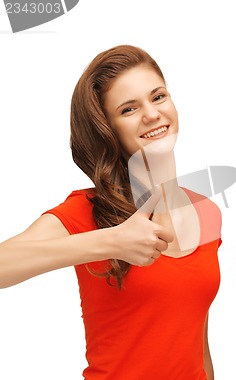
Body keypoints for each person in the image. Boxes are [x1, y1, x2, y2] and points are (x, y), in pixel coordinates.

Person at [0, 45, 222, 379]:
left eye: (158, 97)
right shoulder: (86, 211)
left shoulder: (207, 212)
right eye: (129, 108)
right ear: (108, 128)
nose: (151, 114)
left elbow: (195, 339)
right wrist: (110, 242)